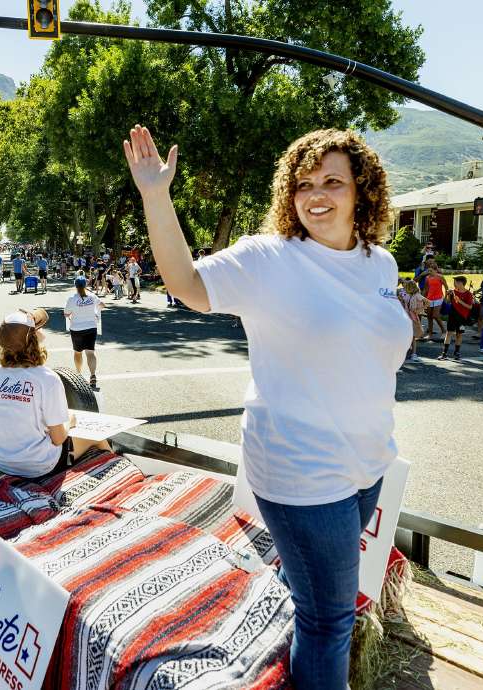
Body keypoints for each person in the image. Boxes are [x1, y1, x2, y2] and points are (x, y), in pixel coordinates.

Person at [124, 125, 410, 689]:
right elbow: (185, 283)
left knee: (314, 596)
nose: (316, 194)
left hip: (368, 466)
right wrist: (156, 195)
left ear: (364, 190)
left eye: (333, 180)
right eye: (304, 184)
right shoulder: (268, 258)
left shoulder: (381, 264)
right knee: (329, 619)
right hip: (301, 470)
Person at [0, 309, 108, 479]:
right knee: (99, 438)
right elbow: (58, 439)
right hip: (37, 465)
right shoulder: (47, 378)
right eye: (38, 327)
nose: (42, 330)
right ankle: (119, 476)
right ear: (33, 338)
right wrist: (69, 421)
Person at [65, 275, 104, 389]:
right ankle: (92, 375)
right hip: (91, 327)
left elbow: (66, 314)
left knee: (78, 352)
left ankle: (78, 375)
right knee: (90, 353)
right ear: (85, 285)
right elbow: (102, 305)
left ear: (75, 286)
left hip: (76, 328)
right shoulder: (92, 296)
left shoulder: (72, 298)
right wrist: (96, 311)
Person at [438, 275, 474, 360]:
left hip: (462, 317)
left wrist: (460, 301)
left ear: (461, 283)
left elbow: (470, 307)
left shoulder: (468, 294)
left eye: (456, 282)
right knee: (449, 333)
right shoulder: (453, 292)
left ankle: (457, 352)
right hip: (452, 315)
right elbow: (447, 301)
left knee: (459, 334)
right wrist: (447, 295)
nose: (454, 284)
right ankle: (444, 353)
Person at [402, 280, 426, 362]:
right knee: (408, 336)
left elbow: (428, 302)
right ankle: (410, 353)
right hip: (406, 317)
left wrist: (419, 310)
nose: (404, 288)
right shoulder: (407, 295)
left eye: (406, 287)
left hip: (412, 318)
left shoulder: (417, 295)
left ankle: (413, 354)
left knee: (412, 336)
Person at [422, 265, 447, 340]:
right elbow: (426, 289)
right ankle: (430, 334)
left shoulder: (440, 277)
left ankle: (444, 331)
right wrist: (422, 298)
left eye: (431, 271)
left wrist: (446, 297)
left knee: (435, 315)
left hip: (438, 298)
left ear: (436, 270)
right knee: (429, 316)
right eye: (428, 271)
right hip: (429, 298)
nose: (429, 272)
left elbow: (446, 287)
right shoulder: (427, 278)